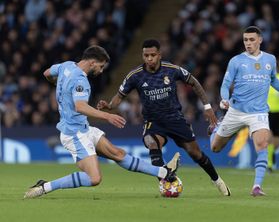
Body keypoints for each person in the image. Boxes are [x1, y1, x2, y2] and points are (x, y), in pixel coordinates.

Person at [23, 45, 180, 199]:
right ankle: (45, 186)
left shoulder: (66, 66)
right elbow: (80, 106)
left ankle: (164, 172)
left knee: (118, 154)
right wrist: (108, 116)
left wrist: (59, 85)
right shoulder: (81, 81)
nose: (101, 70)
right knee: (94, 178)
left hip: (84, 129)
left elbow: (47, 73)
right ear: (92, 62)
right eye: (101, 66)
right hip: (75, 134)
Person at [97, 39, 231, 196]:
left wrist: (207, 107)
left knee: (195, 153)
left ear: (159, 55)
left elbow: (193, 82)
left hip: (175, 118)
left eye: (153, 55)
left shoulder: (171, 70)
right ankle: (166, 182)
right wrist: (110, 106)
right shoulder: (135, 75)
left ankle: (217, 180)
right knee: (151, 142)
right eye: (146, 55)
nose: (149, 59)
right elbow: (120, 96)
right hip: (153, 121)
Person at [209, 26, 279, 196]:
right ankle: (216, 129)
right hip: (236, 111)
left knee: (262, 145)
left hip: (258, 113)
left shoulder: (270, 59)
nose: (248, 43)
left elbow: (274, 81)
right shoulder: (236, 61)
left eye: (252, 39)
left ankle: (256, 187)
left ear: (260, 40)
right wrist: (224, 99)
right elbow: (225, 84)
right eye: (246, 40)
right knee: (215, 148)